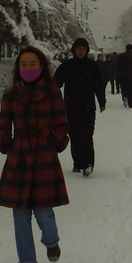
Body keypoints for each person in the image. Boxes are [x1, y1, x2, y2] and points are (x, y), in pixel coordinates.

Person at [0, 46, 70, 263]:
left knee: (43, 211)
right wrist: (6, 144)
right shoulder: (10, 94)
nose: (28, 68)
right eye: (23, 64)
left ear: (42, 66)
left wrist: (57, 141)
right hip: (19, 155)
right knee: (20, 213)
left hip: (44, 154)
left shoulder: (52, 91)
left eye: (33, 64)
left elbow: (61, 123)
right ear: (18, 68)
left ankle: (51, 241)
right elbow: (3, 124)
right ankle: (27, 261)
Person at [54, 38, 107, 176]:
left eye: (83, 48)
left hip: (88, 108)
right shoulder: (67, 66)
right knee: (74, 135)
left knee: (87, 136)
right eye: (78, 48)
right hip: (71, 108)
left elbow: (98, 85)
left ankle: (88, 164)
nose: (81, 51)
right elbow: (55, 83)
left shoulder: (92, 66)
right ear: (74, 50)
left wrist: (102, 101)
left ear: (87, 50)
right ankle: (77, 162)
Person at [116, 43, 132, 108]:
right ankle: (131, 102)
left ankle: (124, 96)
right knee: (131, 89)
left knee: (124, 88)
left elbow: (117, 66)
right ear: (131, 49)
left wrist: (118, 74)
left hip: (123, 76)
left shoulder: (120, 56)